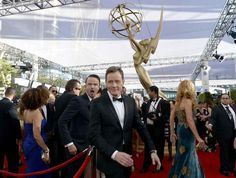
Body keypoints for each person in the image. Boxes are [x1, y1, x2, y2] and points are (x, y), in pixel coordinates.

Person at [88, 66, 161, 178]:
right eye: (110, 82)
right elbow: (94, 135)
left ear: (123, 82)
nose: (114, 85)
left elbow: (140, 127)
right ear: (106, 83)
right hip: (109, 158)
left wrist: (152, 149)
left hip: (127, 157)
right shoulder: (97, 104)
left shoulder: (130, 101)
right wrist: (114, 154)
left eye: (117, 81)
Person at [58, 74, 100, 178]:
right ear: (85, 86)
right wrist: (69, 143)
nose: (92, 87)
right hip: (77, 149)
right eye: (90, 84)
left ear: (99, 87)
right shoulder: (78, 100)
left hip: (91, 149)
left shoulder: (98, 103)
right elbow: (62, 121)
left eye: (95, 84)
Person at [168, 80, 206, 178]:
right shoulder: (188, 101)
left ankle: (178, 174)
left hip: (180, 129)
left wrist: (172, 132)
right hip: (187, 129)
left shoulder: (178, 101)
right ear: (190, 88)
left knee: (182, 152)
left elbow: (171, 118)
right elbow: (189, 120)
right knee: (189, 153)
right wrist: (198, 138)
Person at [52, 79, 81, 178]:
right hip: (67, 135)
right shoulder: (73, 98)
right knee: (70, 165)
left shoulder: (59, 98)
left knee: (62, 162)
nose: (79, 91)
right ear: (73, 88)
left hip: (57, 134)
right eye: (78, 89)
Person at [19, 88, 51, 178]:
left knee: (32, 168)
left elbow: (25, 129)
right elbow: (37, 135)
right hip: (37, 145)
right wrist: (46, 149)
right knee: (38, 171)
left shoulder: (26, 111)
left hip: (28, 142)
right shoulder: (36, 112)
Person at [140, 86, 170, 173]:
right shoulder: (147, 102)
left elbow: (167, 116)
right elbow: (144, 114)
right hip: (148, 129)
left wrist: (157, 118)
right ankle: (146, 166)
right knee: (148, 147)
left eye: (149, 92)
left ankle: (159, 166)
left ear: (154, 92)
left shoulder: (163, 103)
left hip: (159, 130)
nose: (148, 93)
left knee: (159, 148)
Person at [208, 93, 236, 176]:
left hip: (234, 133)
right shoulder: (217, 108)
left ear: (229, 99)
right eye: (223, 98)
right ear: (220, 99)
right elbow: (212, 118)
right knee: (224, 152)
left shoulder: (233, 107)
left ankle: (231, 167)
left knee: (233, 151)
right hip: (223, 134)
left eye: (227, 98)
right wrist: (210, 124)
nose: (225, 100)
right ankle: (224, 169)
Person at [0, 87, 21, 178]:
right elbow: (15, 121)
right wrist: (19, 136)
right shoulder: (11, 105)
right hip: (9, 139)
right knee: (13, 162)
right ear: (13, 95)